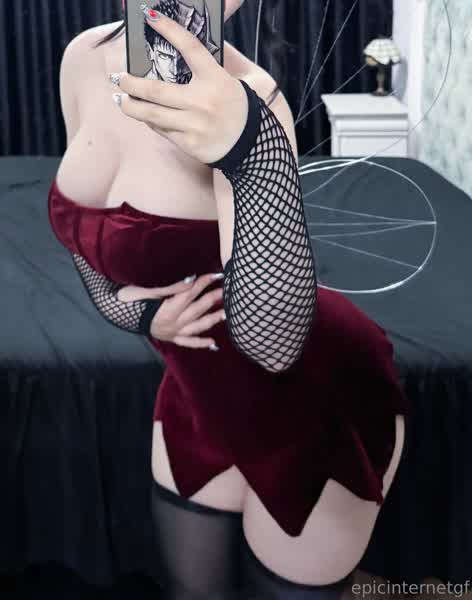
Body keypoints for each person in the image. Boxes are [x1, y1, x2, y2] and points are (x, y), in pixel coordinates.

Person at [47, 0, 409, 598]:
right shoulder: (82, 57)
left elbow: (274, 347)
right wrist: (140, 315)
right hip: (195, 392)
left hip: (309, 405)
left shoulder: (254, 99)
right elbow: (79, 230)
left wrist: (252, 150)